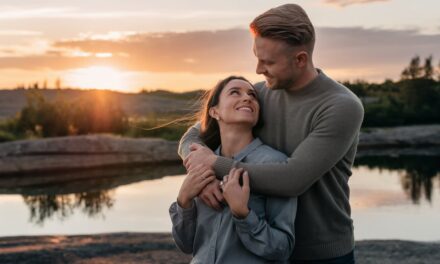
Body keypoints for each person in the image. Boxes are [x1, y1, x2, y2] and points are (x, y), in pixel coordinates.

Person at [178, 4, 364, 264]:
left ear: (300, 59)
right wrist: (204, 175)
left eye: (268, 62)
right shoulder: (256, 95)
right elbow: (193, 136)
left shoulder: (340, 106)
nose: (257, 69)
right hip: (257, 246)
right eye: (256, 56)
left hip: (320, 253)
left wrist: (216, 165)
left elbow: (293, 179)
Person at [169, 76, 297, 263]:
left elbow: (282, 249)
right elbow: (186, 245)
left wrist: (243, 214)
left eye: (252, 95)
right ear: (214, 111)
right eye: (235, 92)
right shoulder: (200, 165)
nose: (247, 98)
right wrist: (184, 200)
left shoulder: (275, 164)